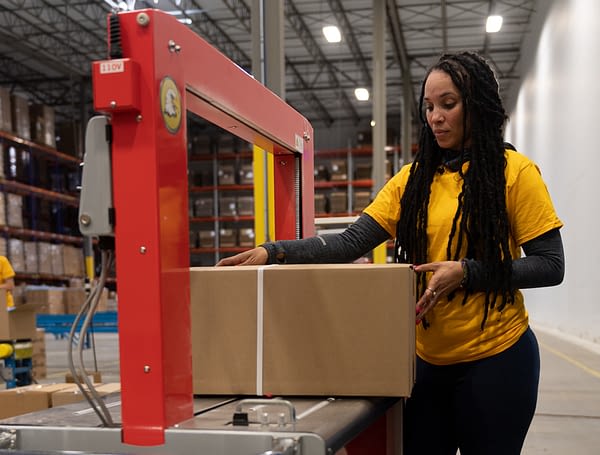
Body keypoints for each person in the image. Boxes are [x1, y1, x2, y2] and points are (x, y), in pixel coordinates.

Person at [217, 51, 564, 455]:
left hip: (499, 361)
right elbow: (349, 243)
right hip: (427, 363)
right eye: (429, 107)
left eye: (448, 105)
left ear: (478, 105)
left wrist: (468, 272)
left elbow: (550, 264)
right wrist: (271, 252)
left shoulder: (516, 173)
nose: (436, 117)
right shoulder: (412, 182)